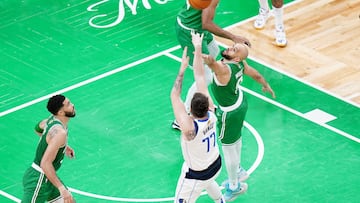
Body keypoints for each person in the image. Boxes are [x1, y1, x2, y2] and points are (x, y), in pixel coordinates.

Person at [202, 43, 276, 201]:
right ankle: (239, 170)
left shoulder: (224, 70)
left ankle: (234, 186)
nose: (229, 48)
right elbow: (254, 74)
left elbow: (214, 65)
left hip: (229, 112)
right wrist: (265, 84)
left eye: (234, 49)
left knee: (228, 148)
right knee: (237, 139)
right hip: (240, 102)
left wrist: (206, 58)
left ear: (236, 57)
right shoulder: (240, 63)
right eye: (232, 46)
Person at [173, 0, 252, 130]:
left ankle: (207, 93)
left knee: (214, 50)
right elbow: (207, 23)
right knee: (205, 77)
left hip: (198, 27)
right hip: (190, 31)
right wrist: (233, 37)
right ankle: (183, 116)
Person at [171, 32, 225, 203]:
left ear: (191, 111)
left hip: (196, 175)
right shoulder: (212, 112)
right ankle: (220, 200)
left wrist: (182, 69)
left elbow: (175, 94)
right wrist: (198, 46)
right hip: (216, 164)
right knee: (209, 182)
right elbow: (200, 77)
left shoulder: (189, 129)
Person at [22, 94, 76, 203]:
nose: (73, 105)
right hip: (38, 179)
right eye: (69, 104)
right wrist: (61, 188)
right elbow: (45, 163)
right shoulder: (60, 132)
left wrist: (61, 145)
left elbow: (38, 128)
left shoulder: (52, 119)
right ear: (60, 112)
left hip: (48, 178)